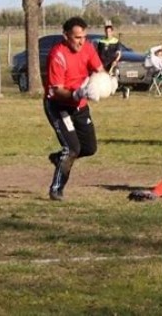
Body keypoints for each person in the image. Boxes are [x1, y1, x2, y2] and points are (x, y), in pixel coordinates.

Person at [44, 16, 106, 201]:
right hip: (59, 105)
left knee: (88, 148)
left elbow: (99, 70)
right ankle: (56, 189)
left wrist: (105, 83)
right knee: (71, 149)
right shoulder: (58, 55)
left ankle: (59, 159)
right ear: (65, 36)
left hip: (79, 106)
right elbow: (56, 91)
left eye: (84, 37)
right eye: (77, 37)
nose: (81, 41)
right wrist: (76, 94)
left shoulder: (87, 47)